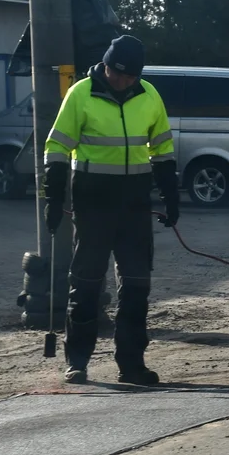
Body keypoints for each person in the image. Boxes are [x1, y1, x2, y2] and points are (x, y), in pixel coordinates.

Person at [42, 35, 180, 385]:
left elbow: (163, 150)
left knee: (136, 286)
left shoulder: (149, 95)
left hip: (134, 205)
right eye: (118, 74)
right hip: (93, 204)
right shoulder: (81, 94)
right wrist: (53, 197)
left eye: (131, 77)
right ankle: (77, 360)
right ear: (105, 66)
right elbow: (57, 147)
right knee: (86, 284)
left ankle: (131, 364)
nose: (123, 82)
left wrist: (171, 196)